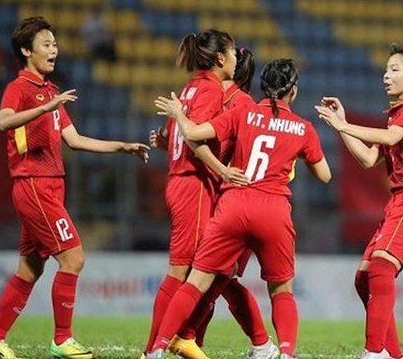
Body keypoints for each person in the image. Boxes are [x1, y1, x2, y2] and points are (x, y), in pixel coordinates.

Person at [0, 16, 150, 359]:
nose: (54, 49)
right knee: (73, 259)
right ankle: (62, 340)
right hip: (34, 185)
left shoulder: (52, 91)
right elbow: (3, 121)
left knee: (30, 268)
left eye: (55, 44)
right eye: (46, 44)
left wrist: (122, 146)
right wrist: (44, 107)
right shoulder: (20, 87)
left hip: (50, 187)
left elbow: (74, 140)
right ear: (27, 51)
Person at [147, 58, 331, 359]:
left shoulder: (243, 112)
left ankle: (156, 350)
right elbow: (324, 176)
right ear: (293, 92)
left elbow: (194, 135)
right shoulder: (303, 128)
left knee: (196, 281)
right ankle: (284, 353)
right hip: (273, 209)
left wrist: (179, 114)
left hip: (234, 204)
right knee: (281, 291)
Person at [315, 43, 403, 359]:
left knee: (381, 268)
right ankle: (391, 354)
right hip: (402, 201)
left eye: (394, 69)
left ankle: (374, 353)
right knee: (364, 279)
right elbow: (368, 158)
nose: (386, 76)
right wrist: (342, 125)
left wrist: (344, 125)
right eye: (386, 70)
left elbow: (388, 140)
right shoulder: (399, 114)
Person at [146, 46, 276, 359]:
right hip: (230, 196)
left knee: (213, 275)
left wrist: (170, 141)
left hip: (219, 194)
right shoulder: (239, 101)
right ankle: (199, 340)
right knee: (217, 274)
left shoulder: (208, 94)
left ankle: (192, 341)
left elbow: (194, 138)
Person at [142, 29, 243, 359]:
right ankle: (153, 350)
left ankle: (186, 340)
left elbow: (179, 133)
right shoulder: (212, 90)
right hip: (194, 185)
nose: (236, 58)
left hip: (180, 182)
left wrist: (163, 142)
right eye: (232, 54)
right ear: (219, 59)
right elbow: (195, 140)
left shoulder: (190, 87)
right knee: (184, 272)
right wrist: (223, 170)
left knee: (202, 271)